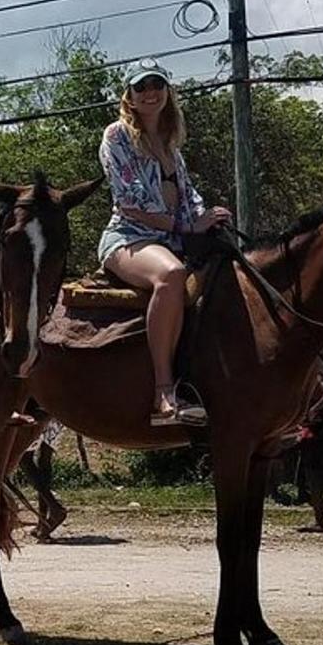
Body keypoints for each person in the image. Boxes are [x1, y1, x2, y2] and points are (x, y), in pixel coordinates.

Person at [97, 58, 230, 426]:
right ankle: (163, 392)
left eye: (157, 84)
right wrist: (187, 225)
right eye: (141, 87)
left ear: (168, 91)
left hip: (174, 239)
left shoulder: (171, 144)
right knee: (170, 275)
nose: (150, 92)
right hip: (128, 238)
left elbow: (190, 198)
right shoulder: (117, 136)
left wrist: (210, 216)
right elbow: (131, 203)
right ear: (130, 97)